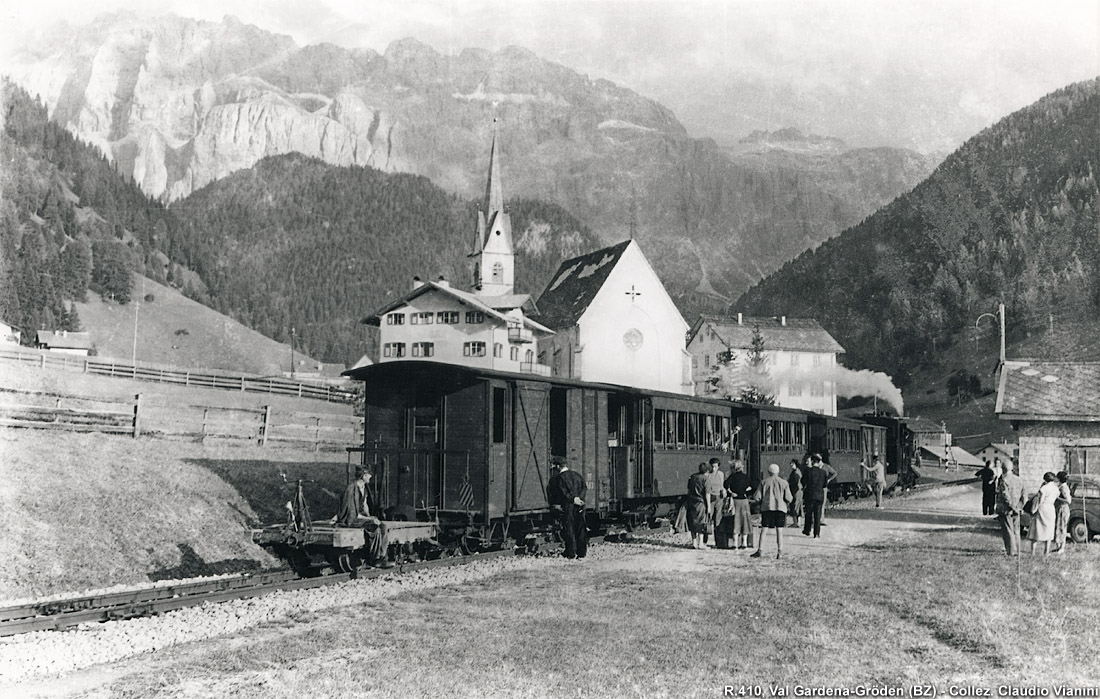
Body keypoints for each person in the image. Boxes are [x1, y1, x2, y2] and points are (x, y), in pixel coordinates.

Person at [335, 465, 393, 568]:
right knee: (375, 529)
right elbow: (352, 514)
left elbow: (364, 504)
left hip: (360, 517)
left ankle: (381, 557)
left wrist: (370, 516)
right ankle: (374, 558)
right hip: (351, 520)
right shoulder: (351, 489)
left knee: (383, 526)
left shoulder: (363, 487)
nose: (370, 477)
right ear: (363, 476)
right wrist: (369, 519)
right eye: (368, 475)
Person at [547, 457, 589, 559]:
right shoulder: (577, 475)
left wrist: (572, 499)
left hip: (569, 505)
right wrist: (579, 498)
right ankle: (582, 552)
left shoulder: (559, 478)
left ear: (558, 466)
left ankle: (570, 552)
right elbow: (584, 487)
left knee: (569, 528)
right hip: (580, 504)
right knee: (580, 528)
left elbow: (563, 492)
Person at [751, 463, 793, 560]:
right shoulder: (784, 483)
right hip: (780, 509)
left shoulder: (764, 482)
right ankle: (780, 551)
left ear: (769, 472)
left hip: (767, 508)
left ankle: (760, 550)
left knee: (764, 529)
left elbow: (757, 497)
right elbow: (789, 498)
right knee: (779, 530)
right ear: (778, 472)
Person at [995, 461, 1024, 556]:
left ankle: (1011, 551)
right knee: (1016, 531)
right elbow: (1024, 495)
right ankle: (1018, 550)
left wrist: (1012, 507)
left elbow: (1005, 496)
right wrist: (1019, 506)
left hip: (1006, 509)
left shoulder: (1004, 480)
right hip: (1017, 509)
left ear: (1003, 469)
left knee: (1008, 531)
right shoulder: (1019, 480)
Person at [1027, 472, 1059, 555]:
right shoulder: (1056, 488)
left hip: (1043, 507)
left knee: (1036, 529)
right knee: (1049, 530)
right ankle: (1046, 551)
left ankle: (1033, 551)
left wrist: (1034, 509)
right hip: (1051, 508)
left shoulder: (1044, 488)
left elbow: (1040, 500)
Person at [724, 458, 753, 549]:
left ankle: (735, 544)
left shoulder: (732, 477)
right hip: (744, 501)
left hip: (735, 501)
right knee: (745, 521)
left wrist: (730, 492)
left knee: (735, 522)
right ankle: (744, 543)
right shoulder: (745, 477)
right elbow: (752, 486)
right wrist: (746, 492)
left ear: (733, 468)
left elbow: (725, 485)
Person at [802, 454, 829, 538]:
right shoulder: (823, 472)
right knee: (817, 515)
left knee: (809, 513)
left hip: (809, 495)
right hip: (820, 496)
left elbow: (803, 481)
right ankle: (816, 533)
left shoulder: (808, 471)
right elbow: (825, 485)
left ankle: (807, 530)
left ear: (812, 461)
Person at [685, 462, 712, 550]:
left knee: (692, 522)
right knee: (701, 523)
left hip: (692, 502)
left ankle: (694, 543)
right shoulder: (706, 479)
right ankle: (700, 543)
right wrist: (709, 507)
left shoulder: (693, 477)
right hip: (701, 503)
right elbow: (707, 494)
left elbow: (688, 490)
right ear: (707, 470)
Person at [705, 457, 726, 548]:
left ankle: (718, 542)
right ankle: (705, 541)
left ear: (718, 467)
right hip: (711, 497)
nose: (714, 468)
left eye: (715, 467)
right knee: (708, 519)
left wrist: (723, 491)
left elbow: (722, 485)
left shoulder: (721, 474)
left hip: (719, 497)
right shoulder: (707, 475)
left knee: (718, 519)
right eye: (712, 466)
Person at [1053, 471, 1072, 554]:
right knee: (1058, 526)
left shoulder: (1064, 488)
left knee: (1062, 527)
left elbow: (1068, 500)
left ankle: (1062, 547)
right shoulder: (1060, 486)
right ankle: (1058, 546)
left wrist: (1057, 498)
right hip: (1059, 508)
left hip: (1063, 509)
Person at [787, 459, 803, 529]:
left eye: (792, 464)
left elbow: (795, 483)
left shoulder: (796, 473)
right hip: (798, 491)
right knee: (798, 506)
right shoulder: (797, 471)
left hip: (796, 491)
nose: (791, 465)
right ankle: (797, 522)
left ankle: (796, 522)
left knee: (795, 506)